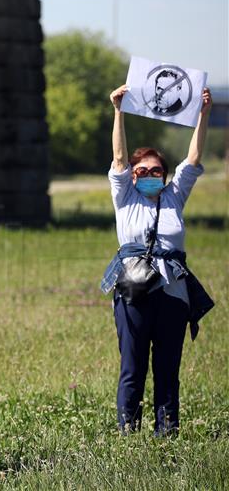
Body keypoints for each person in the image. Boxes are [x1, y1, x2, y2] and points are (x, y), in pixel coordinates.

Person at [104, 84, 214, 436]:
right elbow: (119, 159)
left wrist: (203, 114)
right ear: (133, 176)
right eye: (142, 171)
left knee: (168, 368)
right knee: (132, 367)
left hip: (173, 294)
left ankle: (167, 433)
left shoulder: (173, 197)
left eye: (156, 171)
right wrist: (119, 111)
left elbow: (193, 159)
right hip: (133, 291)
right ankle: (127, 434)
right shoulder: (125, 197)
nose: (149, 176)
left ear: (164, 176)